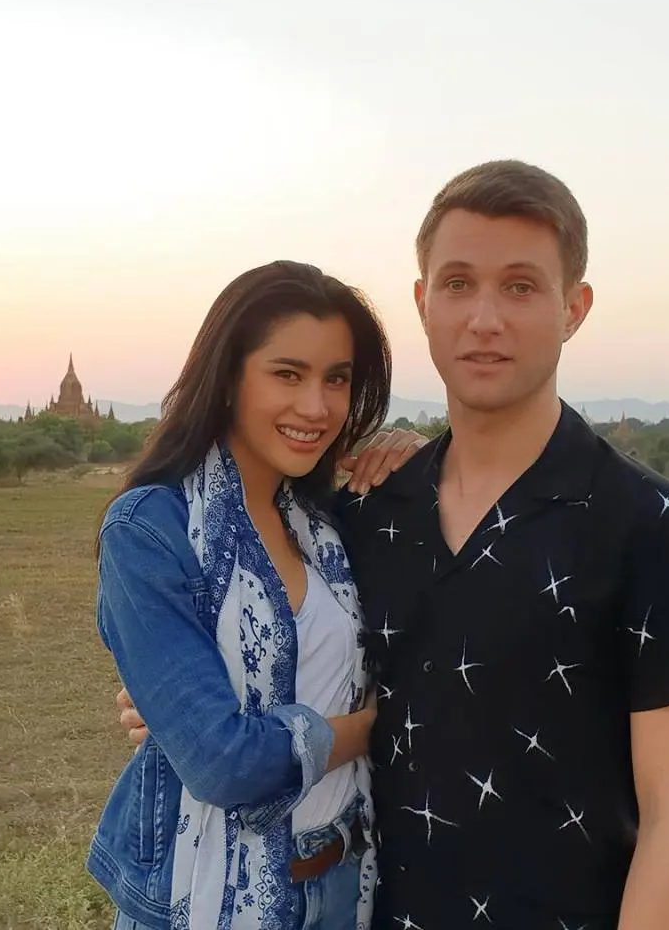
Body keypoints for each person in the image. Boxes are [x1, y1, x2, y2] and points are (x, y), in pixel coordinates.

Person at [117, 161, 669, 929]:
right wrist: (183, 698)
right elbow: (300, 661)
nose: (483, 318)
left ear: (574, 308)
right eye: (458, 283)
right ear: (423, 302)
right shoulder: (360, 516)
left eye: (520, 286)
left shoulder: (656, 528)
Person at [87, 260, 425, 930]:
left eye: (337, 379)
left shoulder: (331, 522)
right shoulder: (152, 529)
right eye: (288, 374)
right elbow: (222, 763)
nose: (317, 407)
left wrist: (422, 456)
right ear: (228, 376)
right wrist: (374, 727)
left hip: (345, 883)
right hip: (201, 895)